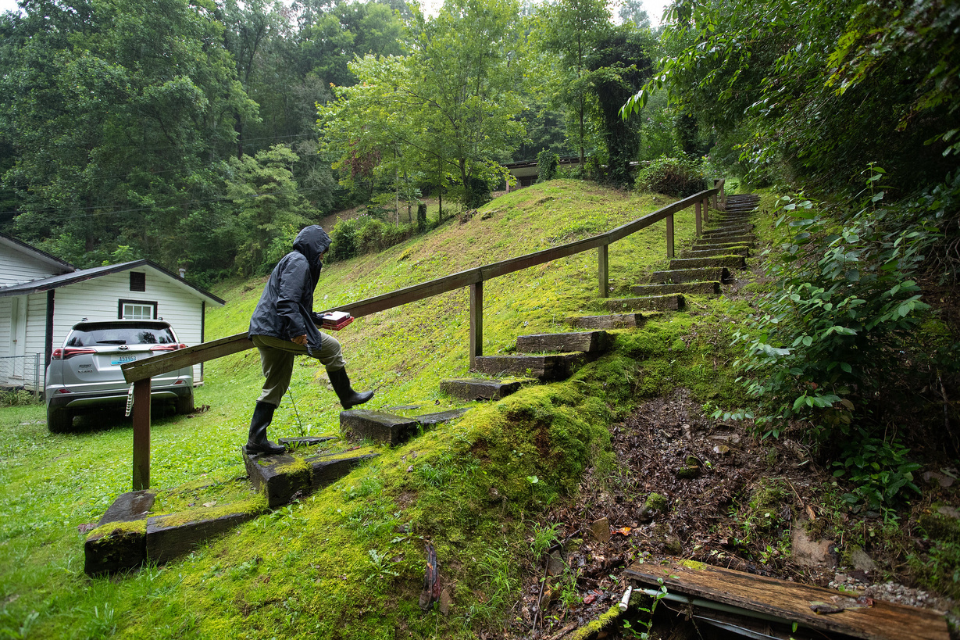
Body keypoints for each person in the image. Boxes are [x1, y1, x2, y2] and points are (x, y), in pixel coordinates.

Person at [245, 225, 374, 455]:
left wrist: (317, 319)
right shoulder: (299, 261)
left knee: (276, 382)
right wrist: (297, 331)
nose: (323, 255)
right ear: (314, 247)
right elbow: (286, 302)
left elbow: (293, 302)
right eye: (322, 250)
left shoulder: (293, 259)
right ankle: (348, 396)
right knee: (332, 347)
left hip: (263, 331)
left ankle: (256, 439)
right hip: (279, 330)